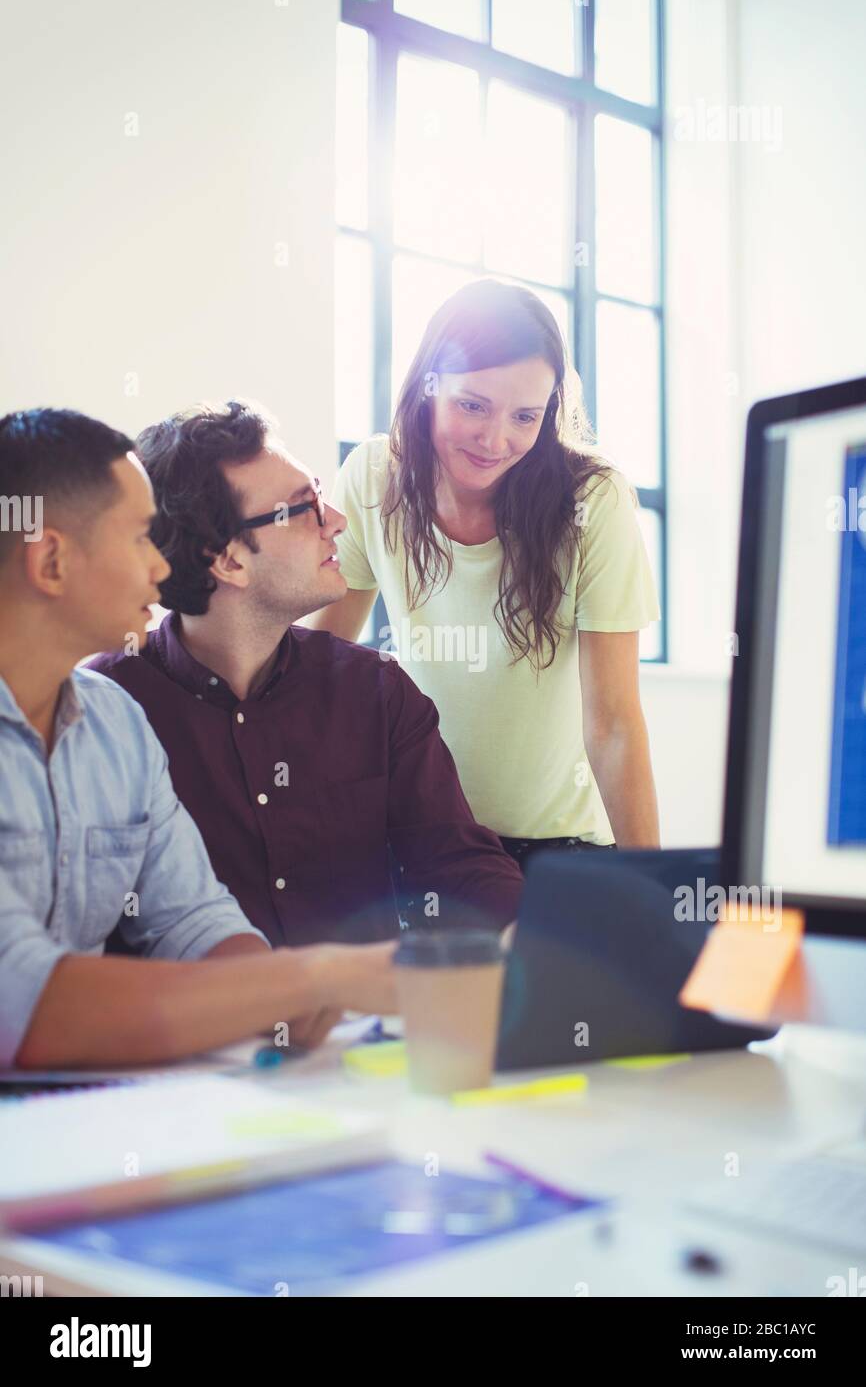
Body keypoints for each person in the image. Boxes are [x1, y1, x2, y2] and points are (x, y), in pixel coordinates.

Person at [0, 408, 396, 1070]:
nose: (163, 569)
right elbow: (24, 1005)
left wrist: (277, 1002)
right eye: (138, 541)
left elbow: (193, 920)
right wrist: (317, 976)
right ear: (52, 562)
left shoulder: (116, 726)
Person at [88, 399, 522, 945]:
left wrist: (538, 936)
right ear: (227, 560)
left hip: (362, 1026)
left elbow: (456, 862)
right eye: (304, 507)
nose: (336, 521)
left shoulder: (375, 690)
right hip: (188, 1026)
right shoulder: (107, 704)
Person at [309, 279, 661, 871]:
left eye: (525, 416)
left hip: (559, 851)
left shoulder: (593, 499)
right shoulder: (374, 475)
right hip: (420, 840)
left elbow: (614, 724)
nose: (496, 440)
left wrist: (653, 891)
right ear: (429, 385)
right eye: (472, 405)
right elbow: (321, 664)